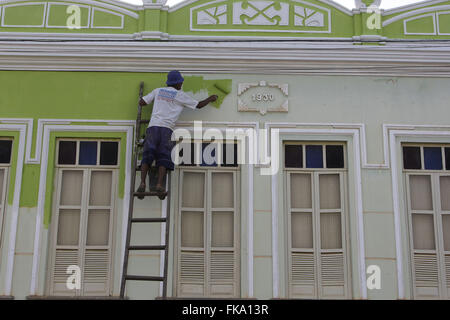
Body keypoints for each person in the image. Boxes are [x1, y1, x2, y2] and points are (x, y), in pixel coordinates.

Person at [138, 70, 218, 200]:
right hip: (166, 130)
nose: (181, 84)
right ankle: (159, 184)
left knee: (148, 155)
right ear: (177, 83)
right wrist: (211, 98)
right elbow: (199, 105)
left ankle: (142, 182)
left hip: (152, 127)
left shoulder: (158, 91)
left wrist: (146, 100)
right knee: (163, 156)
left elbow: (142, 102)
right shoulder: (180, 95)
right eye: (180, 82)